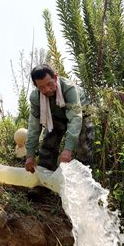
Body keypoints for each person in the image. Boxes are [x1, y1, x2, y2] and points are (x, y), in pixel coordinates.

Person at [25, 64, 94, 199]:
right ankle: (43, 185)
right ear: (36, 87)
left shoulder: (69, 88)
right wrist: (30, 155)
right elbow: (34, 127)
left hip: (82, 113)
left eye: (50, 84)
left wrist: (68, 150)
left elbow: (75, 119)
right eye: (41, 87)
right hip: (55, 116)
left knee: (84, 148)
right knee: (48, 143)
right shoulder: (36, 98)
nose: (47, 89)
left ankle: (83, 191)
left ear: (55, 77)